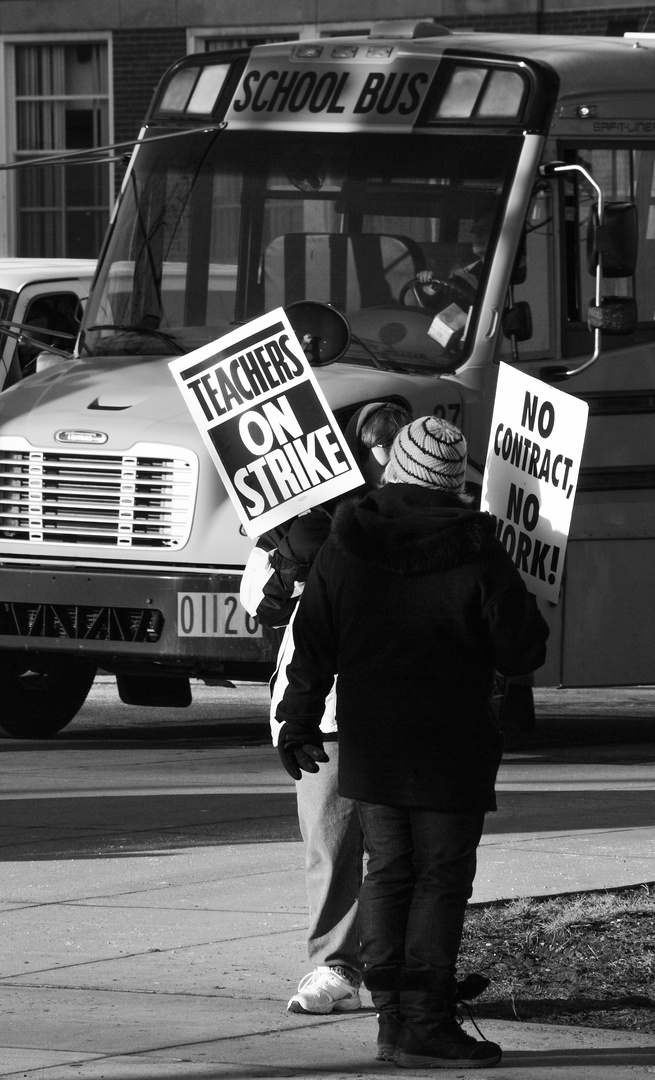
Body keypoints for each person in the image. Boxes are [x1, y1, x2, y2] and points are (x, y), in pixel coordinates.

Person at [274, 416, 549, 1068]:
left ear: (396, 469)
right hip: (448, 748)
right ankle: (425, 1021)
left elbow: (312, 642)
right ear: (452, 481)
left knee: (390, 876)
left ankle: (393, 1025)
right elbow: (521, 648)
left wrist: (298, 719)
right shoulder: (474, 547)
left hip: (371, 746)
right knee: (440, 881)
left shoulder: (346, 542)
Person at [240, 400, 412, 1016]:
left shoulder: (430, 515)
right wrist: (288, 567)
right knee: (331, 842)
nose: (383, 453)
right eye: (373, 443)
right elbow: (258, 603)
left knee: (404, 850)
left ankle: (400, 967)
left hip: (403, 706)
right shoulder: (300, 521)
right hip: (328, 712)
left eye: (393, 441)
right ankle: (337, 964)